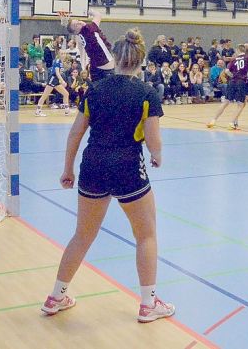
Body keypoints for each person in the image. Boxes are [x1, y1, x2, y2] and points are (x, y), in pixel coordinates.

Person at [42, 29, 175, 323]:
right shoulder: (146, 93)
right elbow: (154, 141)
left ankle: (56, 296)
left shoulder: (96, 90)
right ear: (141, 61)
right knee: (146, 234)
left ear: (115, 58)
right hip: (127, 167)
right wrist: (157, 156)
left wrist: (67, 169)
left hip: (93, 166)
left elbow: (76, 131)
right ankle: (148, 303)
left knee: (83, 234)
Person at [207, 42, 248, 130]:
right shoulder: (247, 57)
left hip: (232, 82)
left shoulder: (234, 60)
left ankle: (213, 120)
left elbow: (227, 71)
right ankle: (232, 123)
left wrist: (233, 76)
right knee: (240, 104)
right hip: (242, 82)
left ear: (237, 51)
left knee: (226, 102)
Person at [65, 9, 115, 82]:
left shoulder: (84, 34)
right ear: (75, 31)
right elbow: (98, 15)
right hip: (105, 70)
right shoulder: (88, 30)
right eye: (76, 25)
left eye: (78, 21)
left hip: (97, 69)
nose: (79, 22)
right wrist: (88, 11)